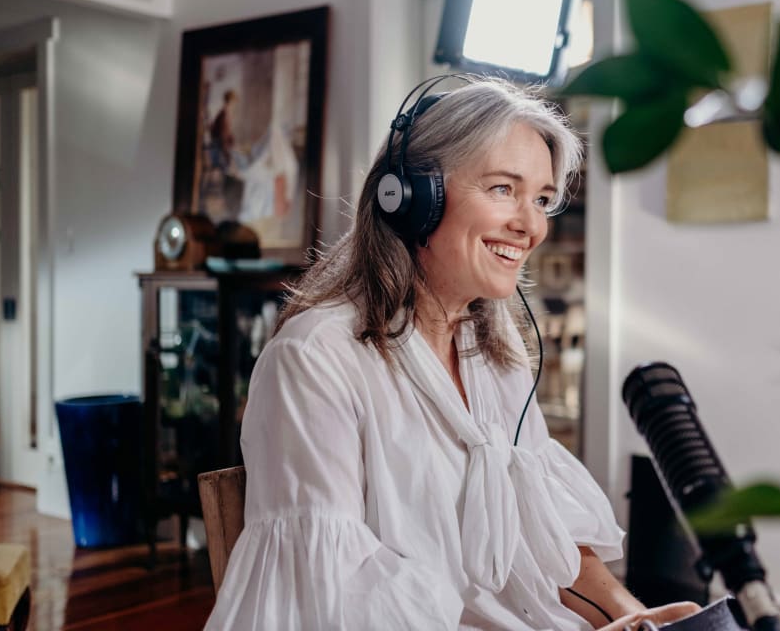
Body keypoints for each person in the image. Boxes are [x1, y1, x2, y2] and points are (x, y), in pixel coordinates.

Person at [204, 77, 700, 630]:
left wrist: (636, 617)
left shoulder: (497, 357)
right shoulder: (316, 358)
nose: (531, 226)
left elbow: (547, 527)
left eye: (541, 199)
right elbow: (335, 598)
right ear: (410, 199)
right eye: (503, 189)